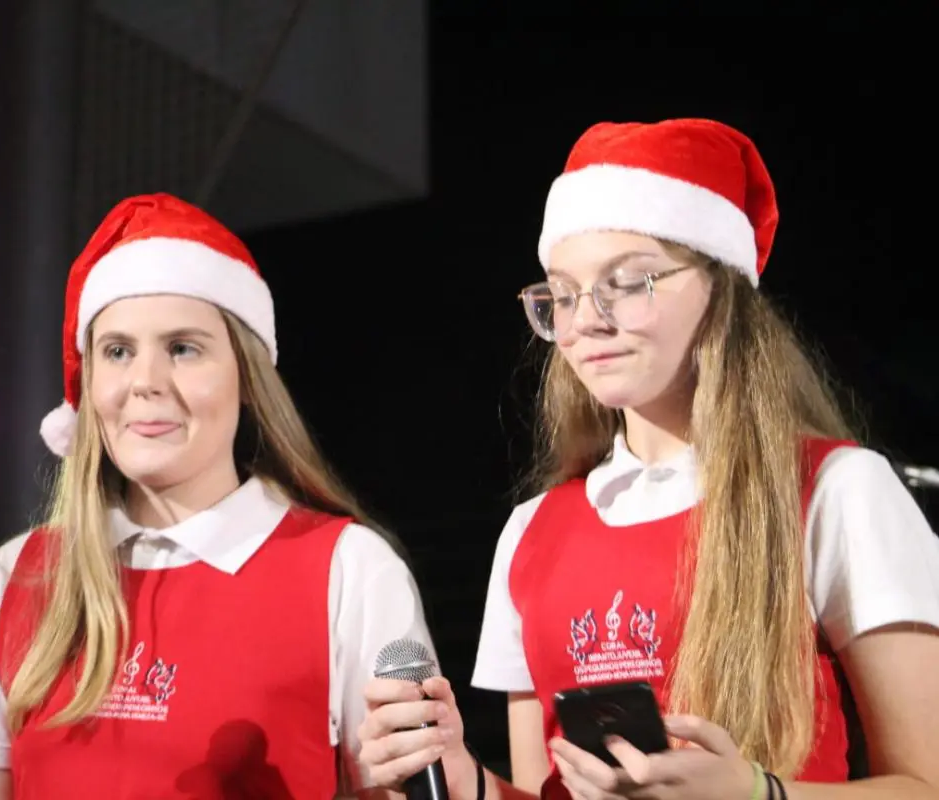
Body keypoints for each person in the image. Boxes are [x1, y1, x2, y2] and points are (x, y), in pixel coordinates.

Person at [356, 118, 939, 800]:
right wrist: (470, 784)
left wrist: (759, 793)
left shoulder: (837, 489)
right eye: (562, 294)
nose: (585, 322)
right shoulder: (532, 531)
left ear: (720, 287)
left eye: (629, 282)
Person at [0, 193, 436, 799]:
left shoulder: (351, 570)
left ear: (247, 377)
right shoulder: (17, 576)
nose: (145, 383)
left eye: (182, 348)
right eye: (117, 351)